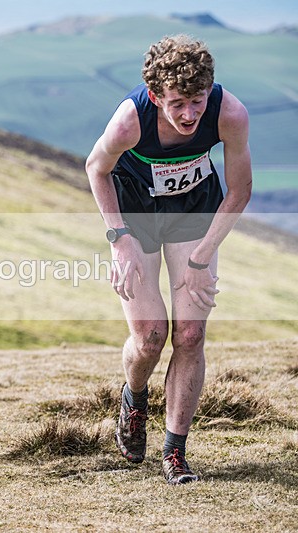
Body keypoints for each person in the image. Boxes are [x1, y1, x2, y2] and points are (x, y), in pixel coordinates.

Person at [85, 35, 252, 484]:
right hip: (134, 213)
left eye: (198, 101)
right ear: (156, 96)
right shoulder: (129, 121)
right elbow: (95, 169)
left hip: (193, 212)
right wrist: (118, 239)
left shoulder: (229, 113)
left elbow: (239, 191)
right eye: (177, 103)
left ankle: (175, 453)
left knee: (191, 334)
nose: (189, 115)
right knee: (151, 335)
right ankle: (134, 398)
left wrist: (201, 258)